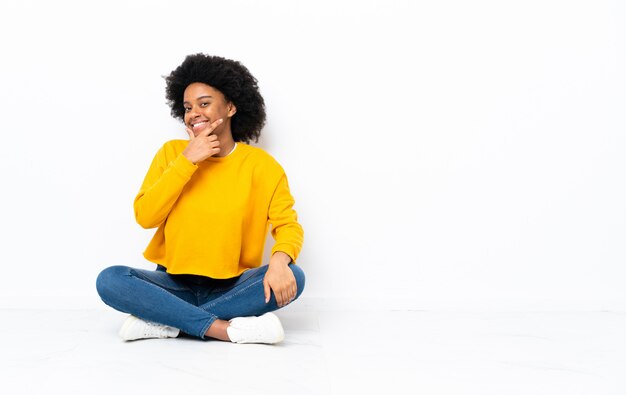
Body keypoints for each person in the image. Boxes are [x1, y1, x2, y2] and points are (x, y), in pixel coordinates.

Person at [96, 54, 305, 344]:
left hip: (232, 287)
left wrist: (280, 262)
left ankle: (166, 321)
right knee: (110, 280)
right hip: (172, 283)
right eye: (188, 107)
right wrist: (188, 160)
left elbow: (288, 226)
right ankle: (224, 329)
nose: (194, 112)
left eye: (204, 103)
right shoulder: (172, 153)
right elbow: (146, 216)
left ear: (230, 107)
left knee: (296, 276)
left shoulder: (262, 166)